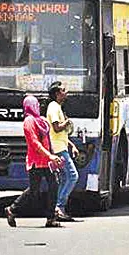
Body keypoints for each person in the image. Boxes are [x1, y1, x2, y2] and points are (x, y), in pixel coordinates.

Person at [4, 95, 63, 228]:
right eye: (34, 104)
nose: (37, 106)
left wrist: (54, 156)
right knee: (34, 191)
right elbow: (34, 143)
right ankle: (12, 209)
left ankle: (51, 218)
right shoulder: (28, 121)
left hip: (47, 161)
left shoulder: (41, 120)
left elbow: (48, 140)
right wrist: (50, 156)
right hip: (36, 161)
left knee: (54, 185)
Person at [47, 81, 80, 221]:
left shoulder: (58, 107)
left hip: (61, 145)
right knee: (73, 176)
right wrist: (67, 123)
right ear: (56, 94)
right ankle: (59, 206)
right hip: (58, 149)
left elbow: (61, 134)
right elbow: (56, 128)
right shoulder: (54, 107)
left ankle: (58, 208)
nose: (66, 93)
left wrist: (72, 145)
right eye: (63, 90)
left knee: (64, 179)